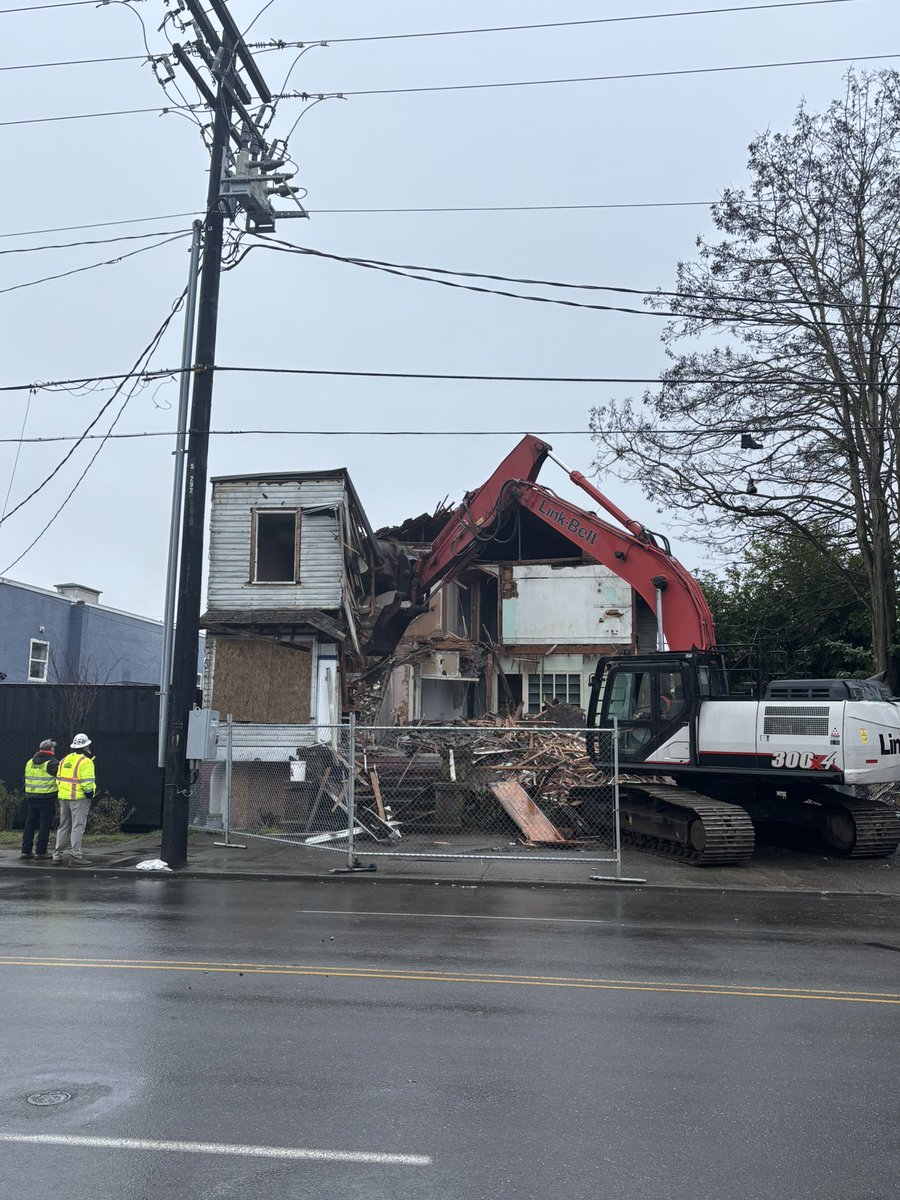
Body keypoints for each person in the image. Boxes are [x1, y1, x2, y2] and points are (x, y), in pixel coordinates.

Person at [52, 733, 96, 868]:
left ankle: (57, 855)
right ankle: (76, 856)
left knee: (63, 826)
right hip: (79, 799)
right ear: (86, 746)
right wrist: (89, 793)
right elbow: (87, 783)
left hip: (64, 798)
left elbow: (59, 778)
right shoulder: (86, 762)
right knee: (78, 827)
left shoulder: (64, 759)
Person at [20, 739, 59, 860]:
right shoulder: (52, 763)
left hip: (31, 798)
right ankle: (41, 852)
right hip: (46, 799)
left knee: (30, 824)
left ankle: (25, 851)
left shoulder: (30, 762)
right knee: (44, 825)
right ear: (51, 749)